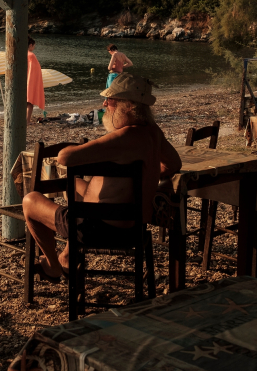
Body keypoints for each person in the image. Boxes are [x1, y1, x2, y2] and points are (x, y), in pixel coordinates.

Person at [22, 73, 182, 282]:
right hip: (134, 227)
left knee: (30, 200)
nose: (105, 104)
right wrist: (143, 178)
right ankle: (69, 257)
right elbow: (174, 164)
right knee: (74, 186)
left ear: (129, 106)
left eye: (111, 101)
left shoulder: (124, 136)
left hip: (101, 230)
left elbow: (64, 157)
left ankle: (53, 265)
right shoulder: (153, 132)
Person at [27, 36, 45, 125]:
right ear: (30, 45)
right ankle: (27, 121)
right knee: (29, 102)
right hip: (29, 81)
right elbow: (35, 71)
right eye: (34, 46)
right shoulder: (31, 55)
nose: (34, 48)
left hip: (20, 82)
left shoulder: (19, 53)